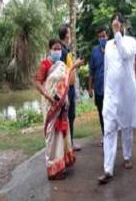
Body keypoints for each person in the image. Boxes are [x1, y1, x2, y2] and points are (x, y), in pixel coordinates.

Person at [98, 13, 136, 185]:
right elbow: (108, 68)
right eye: (113, 25)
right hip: (110, 94)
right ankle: (108, 169)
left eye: (118, 24)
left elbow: (125, 55)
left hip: (126, 94)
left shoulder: (131, 41)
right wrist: (105, 93)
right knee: (109, 129)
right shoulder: (108, 45)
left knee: (126, 127)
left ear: (123, 25)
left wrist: (118, 34)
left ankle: (127, 156)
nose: (115, 27)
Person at [34, 39, 84, 180]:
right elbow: (37, 82)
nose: (57, 51)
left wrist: (74, 66)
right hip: (50, 105)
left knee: (61, 133)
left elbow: (67, 76)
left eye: (59, 49)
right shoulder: (45, 64)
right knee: (52, 137)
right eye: (55, 48)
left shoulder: (61, 65)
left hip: (60, 105)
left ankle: (61, 164)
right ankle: (53, 169)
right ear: (50, 49)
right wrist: (48, 96)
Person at [58, 24, 81, 151]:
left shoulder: (66, 50)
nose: (71, 35)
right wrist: (75, 65)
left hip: (71, 88)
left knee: (71, 116)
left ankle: (70, 143)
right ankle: (65, 146)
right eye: (70, 33)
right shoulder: (61, 51)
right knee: (65, 117)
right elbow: (62, 71)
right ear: (66, 35)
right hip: (65, 89)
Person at [88, 26, 108, 146]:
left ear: (107, 36)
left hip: (111, 90)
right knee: (101, 114)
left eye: (104, 36)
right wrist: (90, 88)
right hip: (99, 89)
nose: (102, 38)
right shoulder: (95, 51)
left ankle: (112, 134)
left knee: (111, 114)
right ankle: (105, 135)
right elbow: (91, 71)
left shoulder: (112, 48)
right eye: (100, 37)